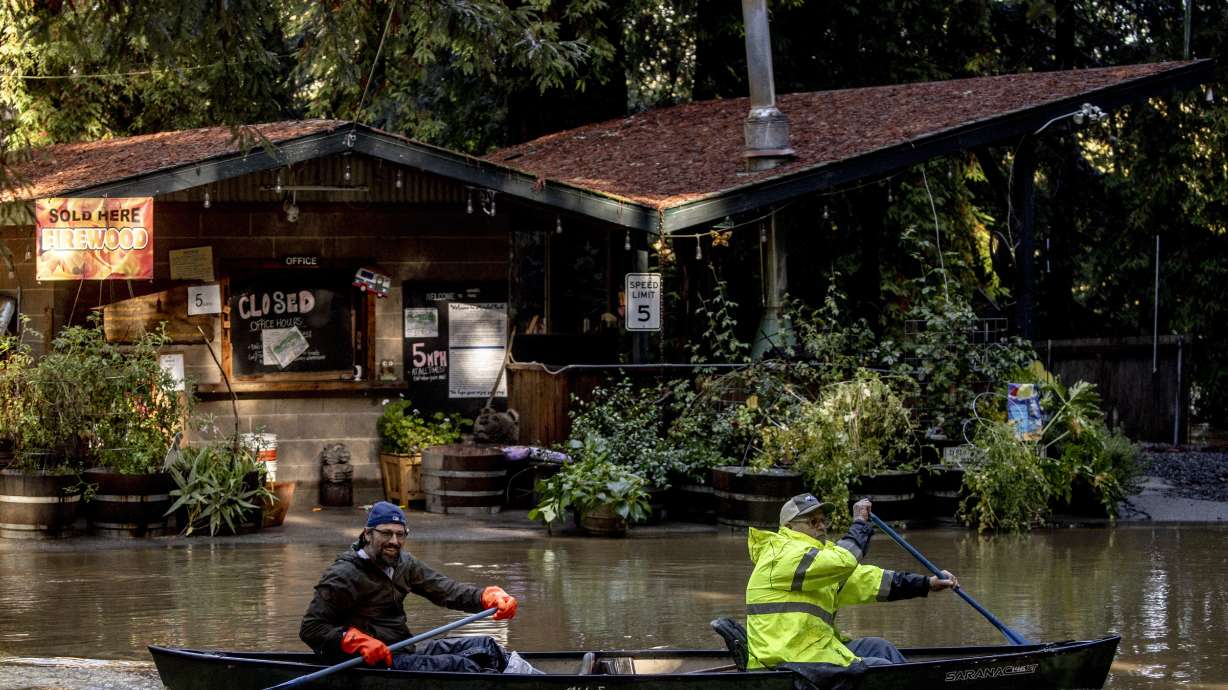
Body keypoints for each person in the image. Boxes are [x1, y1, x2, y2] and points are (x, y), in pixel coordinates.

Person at [300, 501, 539, 674]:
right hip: (369, 663)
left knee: (487, 647)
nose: (394, 541)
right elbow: (311, 628)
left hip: (404, 652)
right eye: (386, 533)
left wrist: (487, 597)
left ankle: (537, 679)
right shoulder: (344, 575)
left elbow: (448, 591)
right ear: (368, 534)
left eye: (400, 534)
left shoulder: (404, 564)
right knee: (464, 668)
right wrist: (353, 640)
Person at [745, 494, 959, 669]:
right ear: (790, 528)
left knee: (880, 649)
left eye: (822, 520)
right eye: (813, 521)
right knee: (878, 668)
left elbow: (869, 581)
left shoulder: (816, 562)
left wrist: (927, 583)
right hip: (787, 658)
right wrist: (859, 523)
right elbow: (844, 561)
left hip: (812, 651)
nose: (821, 526)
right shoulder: (783, 554)